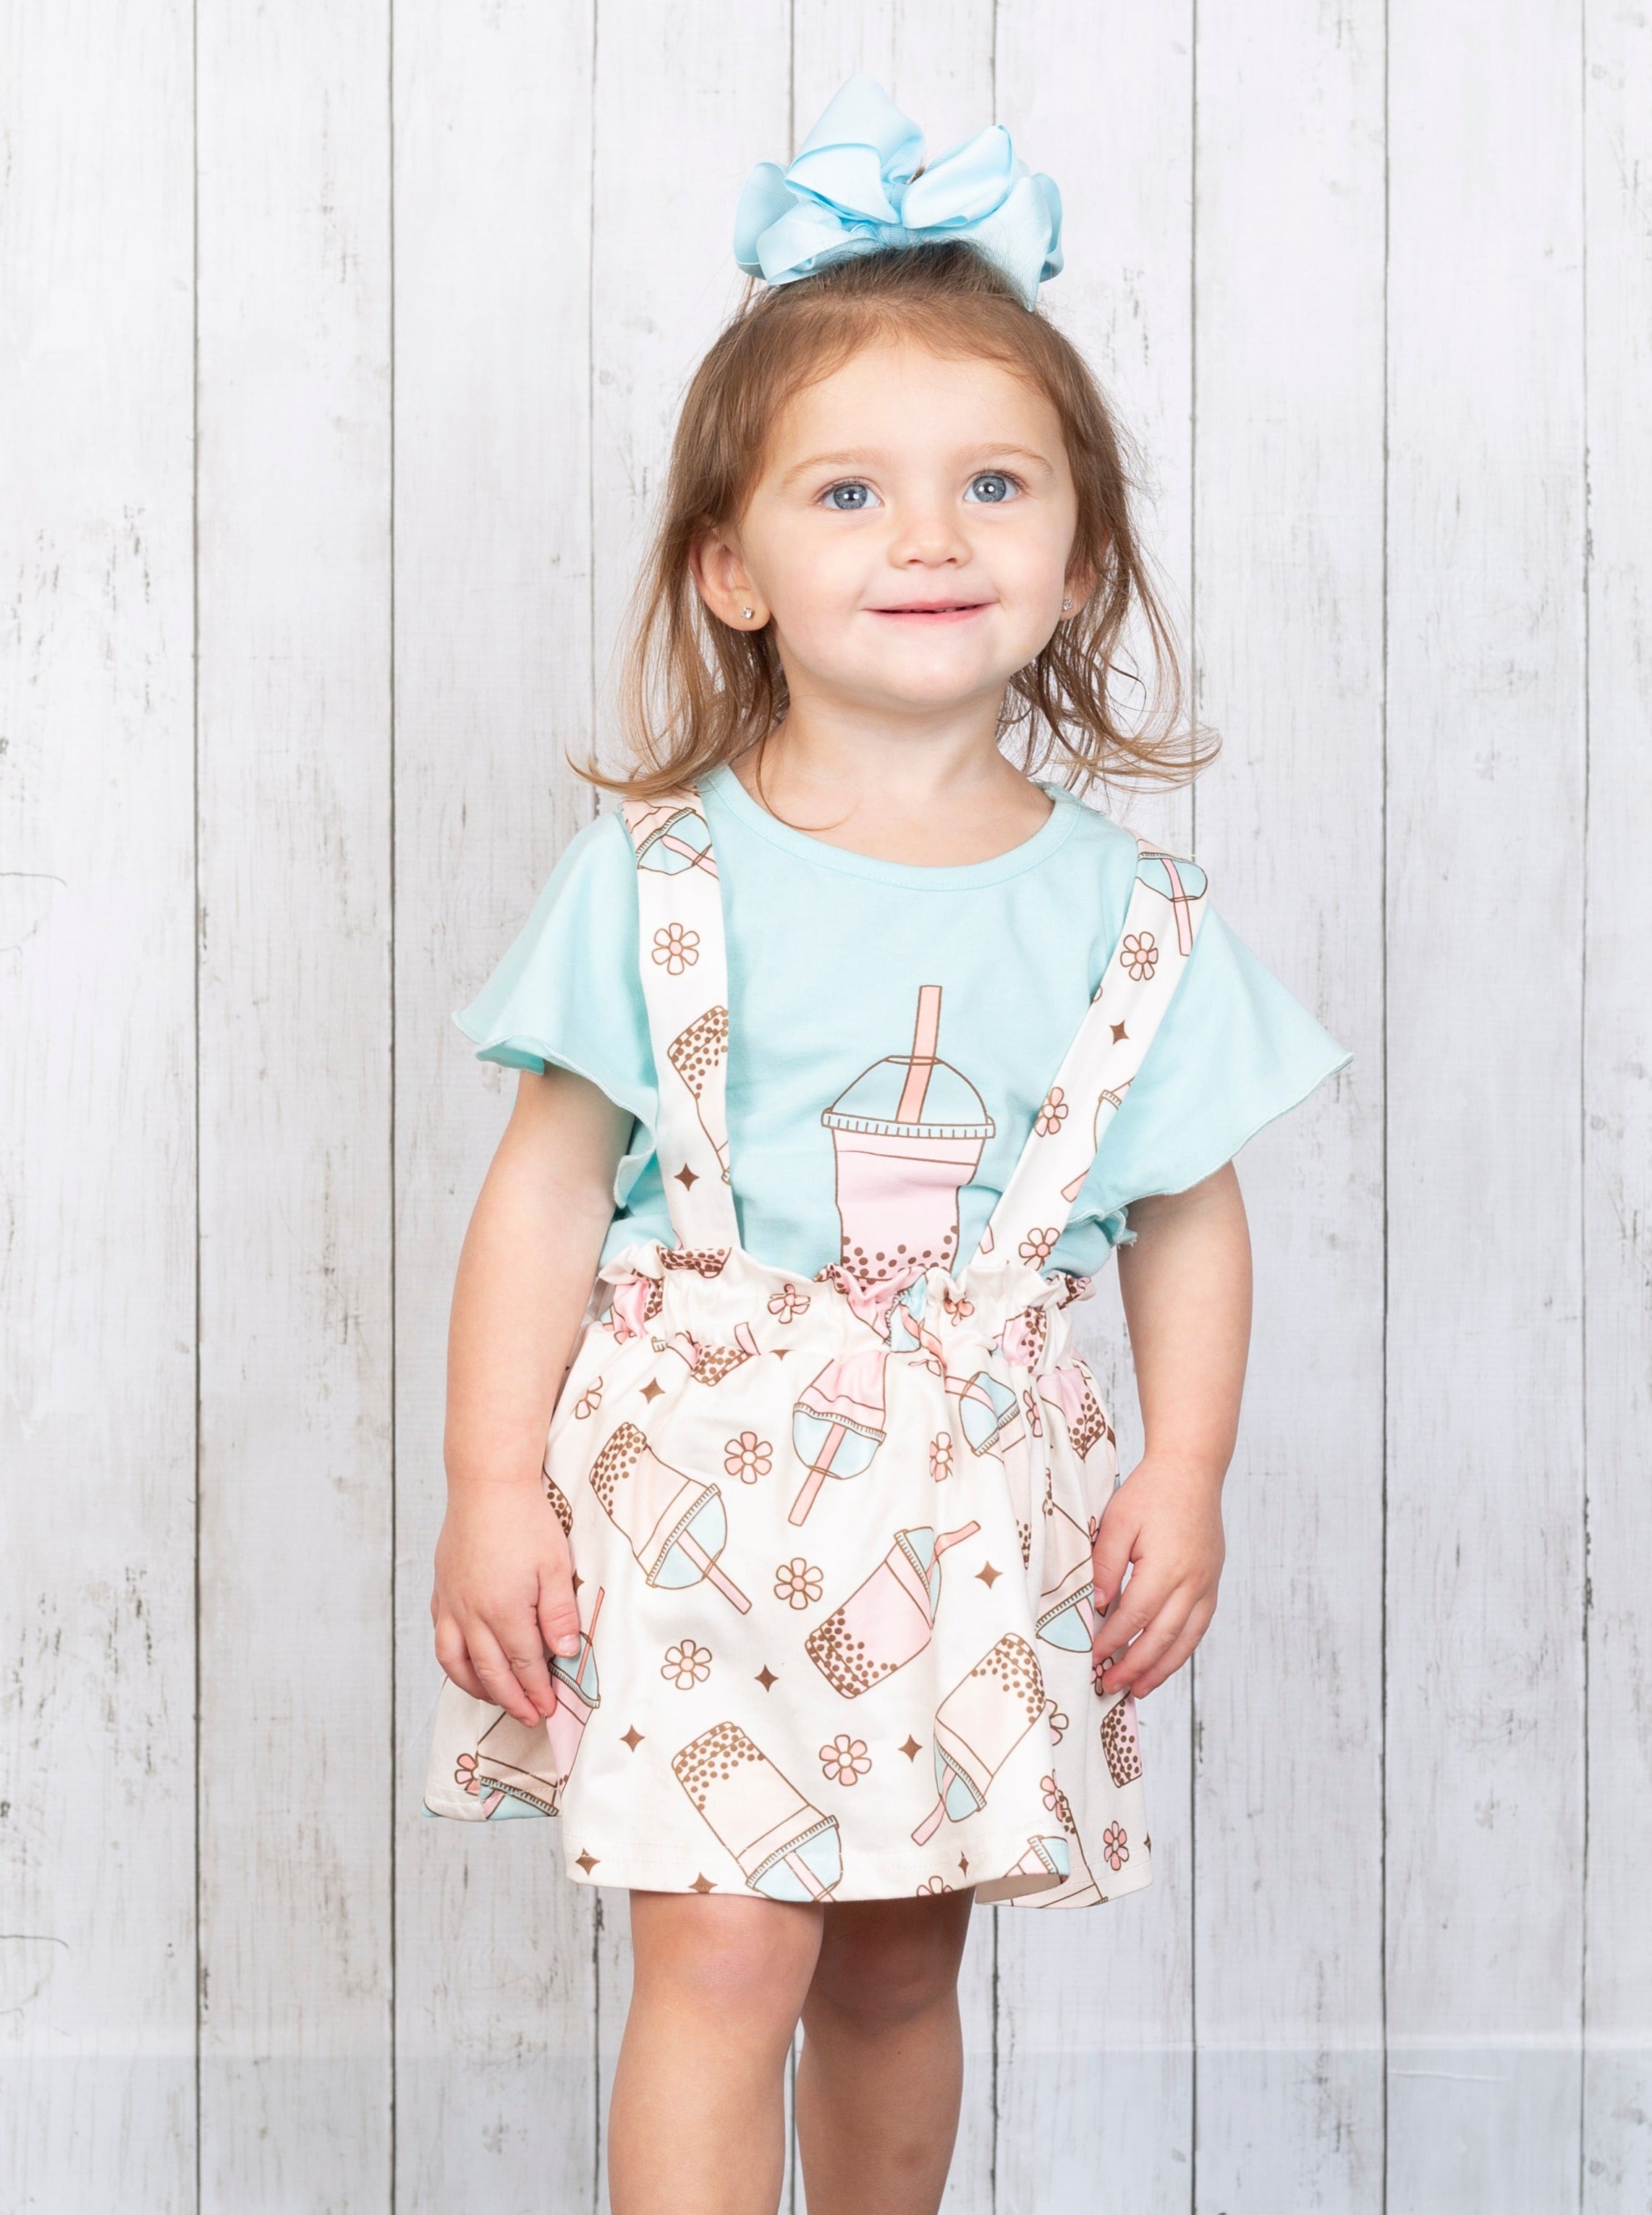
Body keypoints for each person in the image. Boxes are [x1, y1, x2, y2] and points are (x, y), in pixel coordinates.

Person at [423, 77, 1350, 2215]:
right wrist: (487, 1489)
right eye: (848, 492)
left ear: (1075, 556)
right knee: (723, 1945)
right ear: (731, 569)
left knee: (898, 1960)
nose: (927, 539)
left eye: (990, 486)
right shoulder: (656, 875)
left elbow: (1184, 1215)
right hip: (697, 1493)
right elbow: (544, 1192)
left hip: (966, 1503)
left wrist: (1185, 1469)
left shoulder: (1122, 911)